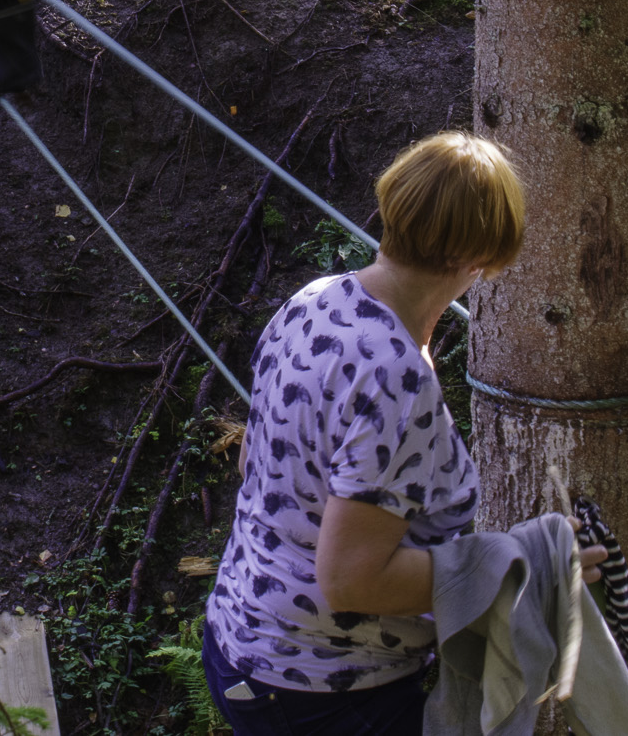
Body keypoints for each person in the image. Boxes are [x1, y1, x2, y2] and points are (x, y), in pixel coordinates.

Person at [203, 131, 606, 735]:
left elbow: (256, 467)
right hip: (324, 691)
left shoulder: (313, 303)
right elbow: (347, 580)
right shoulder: (396, 378)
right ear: (481, 260)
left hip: (241, 645)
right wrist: (520, 564)